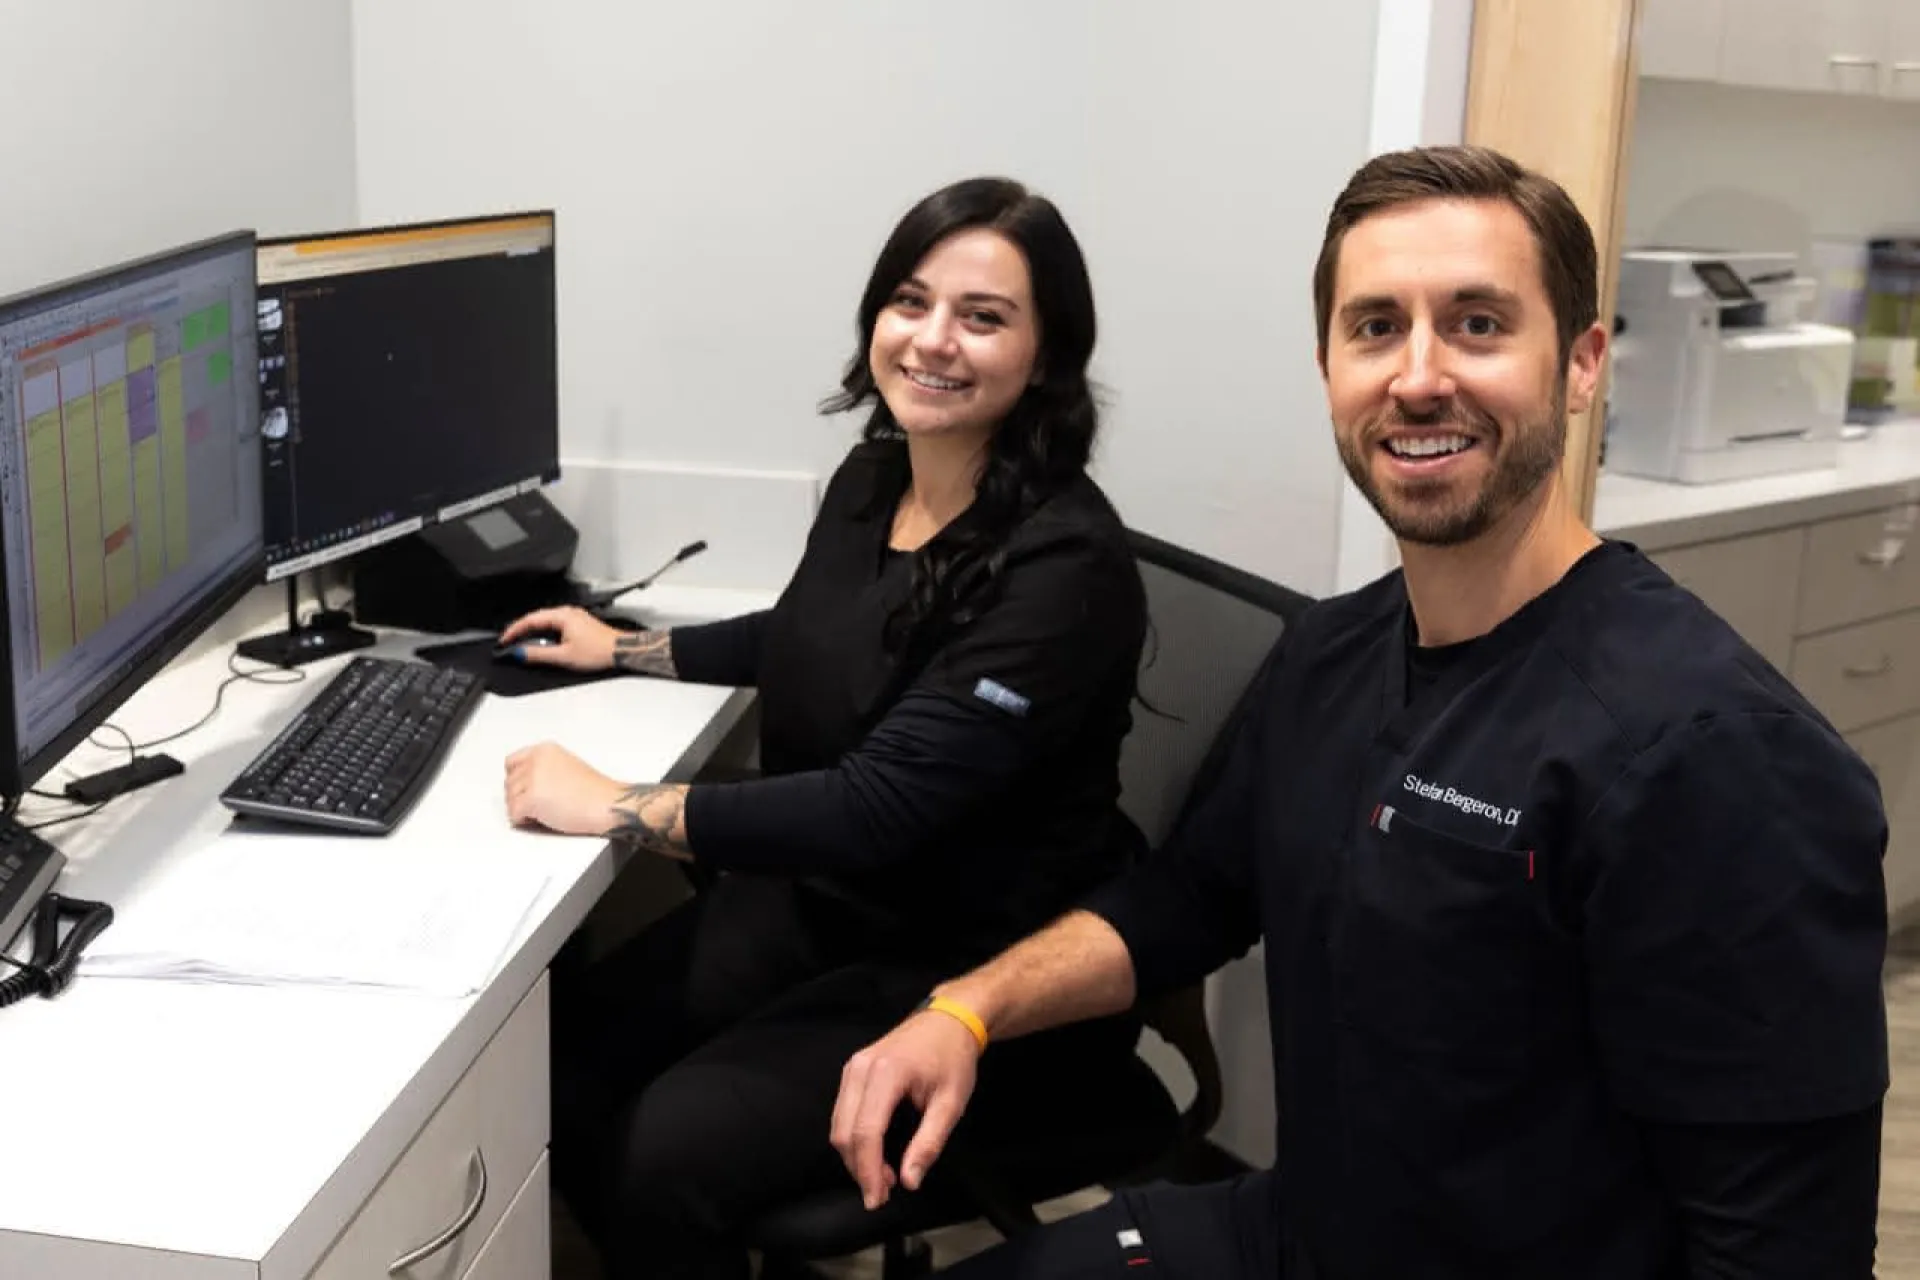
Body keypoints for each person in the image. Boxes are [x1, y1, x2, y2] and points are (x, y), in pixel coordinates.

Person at [830, 145, 1891, 1279]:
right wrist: (968, 1008)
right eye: (1376, 326)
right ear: (1330, 363)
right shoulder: (1330, 651)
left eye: (1478, 324)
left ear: (1582, 365)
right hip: (1305, 1231)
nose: (1419, 375)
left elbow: (1783, 1246)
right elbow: (1190, 895)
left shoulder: (1714, 753)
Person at [495, 176, 1150, 1279]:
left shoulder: (1063, 568)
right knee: (556, 1064)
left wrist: (609, 805)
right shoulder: (877, 473)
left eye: (983, 317)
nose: (934, 340)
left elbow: (872, 808)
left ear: (1044, 357)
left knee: (666, 1150)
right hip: (830, 911)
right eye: (910, 300)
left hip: (973, 964)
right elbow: (806, 630)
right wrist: (628, 644)